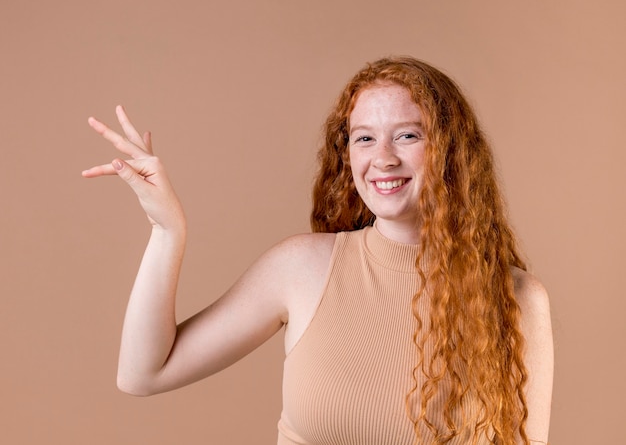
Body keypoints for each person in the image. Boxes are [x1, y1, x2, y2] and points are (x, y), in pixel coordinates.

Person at [83, 56, 553, 445]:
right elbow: (143, 374)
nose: (382, 157)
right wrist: (167, 231)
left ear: (452, 152)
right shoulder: (301, 268)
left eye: (408, 135)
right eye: (364, 138)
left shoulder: (515, 299)